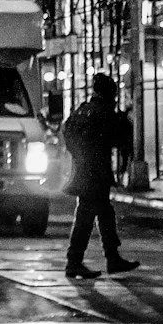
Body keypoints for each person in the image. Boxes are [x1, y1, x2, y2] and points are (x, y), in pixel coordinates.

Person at [58, 70, 140, 281]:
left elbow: (67, 133)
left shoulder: (83, 110)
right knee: (86, 216)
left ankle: (111, 258)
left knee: (104, 213)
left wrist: (79, 155)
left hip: (84, 170)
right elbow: (121, 138)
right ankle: (75, 262)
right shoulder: (103, 113)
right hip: (95, 172)